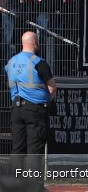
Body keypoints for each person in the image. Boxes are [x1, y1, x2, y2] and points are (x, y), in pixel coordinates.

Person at [5, 31, 57, 184]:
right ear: (34, 42)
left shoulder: (10, 62)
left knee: (17, 149)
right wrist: (50, 101)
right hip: (35, 109)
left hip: (16, 109)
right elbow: (52, 87)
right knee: (35, 149)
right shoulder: (39, 62)